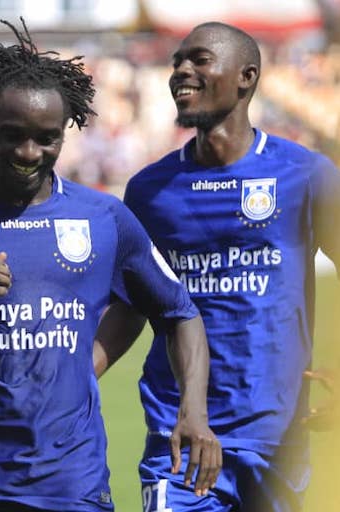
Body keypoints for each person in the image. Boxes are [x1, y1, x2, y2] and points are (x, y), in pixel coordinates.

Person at [0, 19, 221, 512]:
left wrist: (193, 412)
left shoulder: (104, 218)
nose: (30, 153)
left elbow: (177, 311)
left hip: (75, 489)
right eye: (13, 136)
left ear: (65, 133)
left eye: (47, 138)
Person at [97, 21, 340, 511]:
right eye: (176, 63)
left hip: (280, 438)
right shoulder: (149, 190)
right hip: (180, 432)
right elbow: (131, 306)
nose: (181, 72)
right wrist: (73, 379)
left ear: (246, 76)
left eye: (199, 60)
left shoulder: (306, 175)